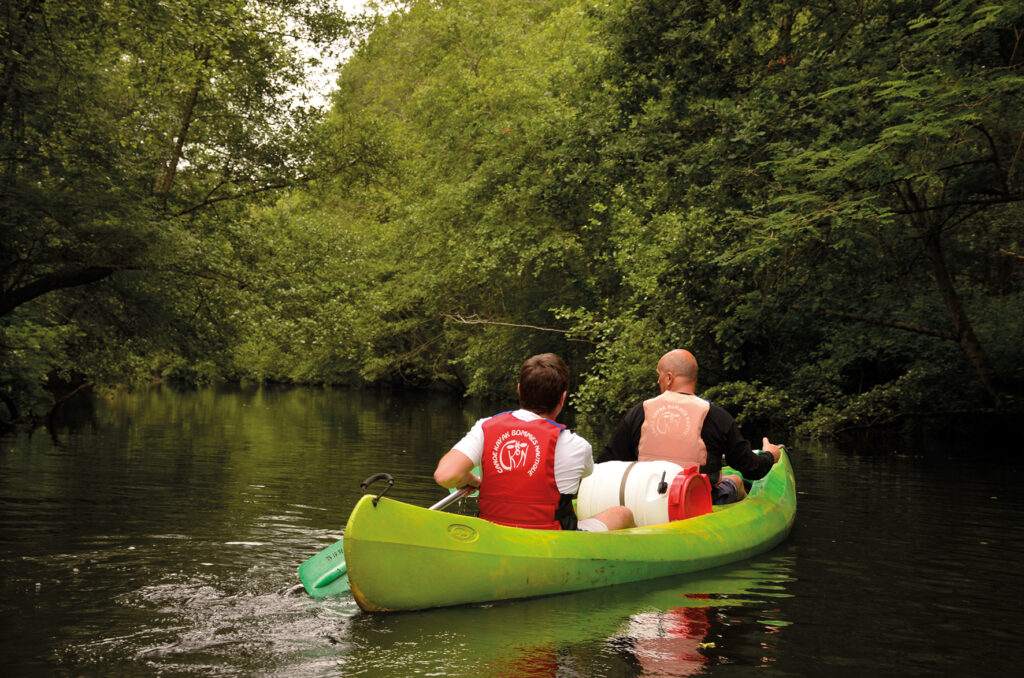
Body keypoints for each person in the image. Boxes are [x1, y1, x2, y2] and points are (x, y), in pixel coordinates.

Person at [434, 353, 634, 531]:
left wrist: (471, 480)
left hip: (494, 534)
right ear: (563, 398)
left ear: (519, 390)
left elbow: (446, 476)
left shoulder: (484, 427)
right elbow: (588, 473)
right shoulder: (578, 446)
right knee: (622, 513)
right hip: (553, 541)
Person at [598, 349, 783, 504]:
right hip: (697, 503)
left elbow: (605, 464)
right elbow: (752, 468)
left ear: (669, 378)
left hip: (645, 503)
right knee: (735, 480)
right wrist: (769, 455)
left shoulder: (640, 413)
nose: (657, 381)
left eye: (659, 376)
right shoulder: (718, 417)